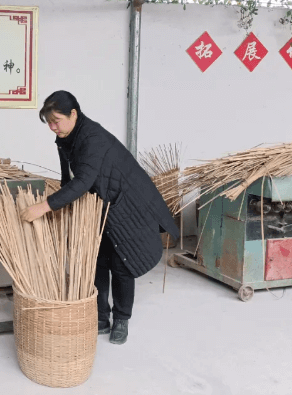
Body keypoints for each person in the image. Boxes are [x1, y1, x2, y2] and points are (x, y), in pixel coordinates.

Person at [20, 90, 179, 345]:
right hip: (100, 206)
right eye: (48, 123)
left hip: (127, 207)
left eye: (56, 120)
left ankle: (122, 319)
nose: (53, 128)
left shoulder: (92, 137)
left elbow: (83, 181)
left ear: (74, 114)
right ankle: (101, 317)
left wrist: (44, 206)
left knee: (122, 264)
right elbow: (68, 179)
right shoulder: (66, 137)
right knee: (97, 262)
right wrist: (63, 203)